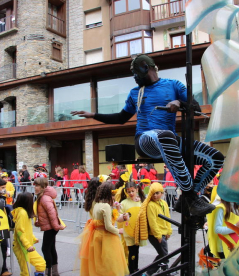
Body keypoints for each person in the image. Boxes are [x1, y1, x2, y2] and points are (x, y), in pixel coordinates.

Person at [71, 54, 224, 217]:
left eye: (136, 74)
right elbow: (121, 118)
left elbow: (195, 107)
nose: (135, 78)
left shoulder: (174, 85)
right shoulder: (135, 93)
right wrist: (94, 114)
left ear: (147, 68)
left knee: (215, 158)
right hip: (145, 140)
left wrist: (179, 103)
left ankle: (188, 197)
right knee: (164, 135)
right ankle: (191, 197)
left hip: (168, 140)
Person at [79, 182, 128, 276]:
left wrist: (116, 209)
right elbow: (108, 226)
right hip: (106, 237)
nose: (114, 197)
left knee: (98, 261)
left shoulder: (97, 204)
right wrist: (119, 231)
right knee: (109, 264)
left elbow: (108, 219)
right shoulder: (106, 206)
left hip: (96, 235)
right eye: (113, 195)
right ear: (108, 194)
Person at [134, 182, 172, 276]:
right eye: (153, 193)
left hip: (163, 232)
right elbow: (152, 222)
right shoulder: (151, 205)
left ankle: (157, 271)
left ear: (162, 193)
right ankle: (159, 271)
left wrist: (169, 231)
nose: (155, 195)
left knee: (163, 254)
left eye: (157, 193)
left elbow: (167, 217)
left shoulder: (164, 203)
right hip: (155, 234)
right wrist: (158, 235)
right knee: (164, 254)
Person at [34, 177, 65, 276]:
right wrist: (39, 221)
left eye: (37, 185)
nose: (35, 187)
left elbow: (52, 213)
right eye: (35, 185)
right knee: (51, 248)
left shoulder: (44, 198)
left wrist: (56, 226)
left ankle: (49, 272)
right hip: (50, 226)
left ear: (43, 187)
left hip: (51, 227)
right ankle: (54, 272)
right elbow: (45, 214)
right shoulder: (43, 197)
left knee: (45, 249)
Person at [12, 192, 46, 276]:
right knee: (25, 272)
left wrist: (33, 238)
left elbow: (26, 229)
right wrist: (27, 245)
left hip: (27, 245)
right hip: (22, 247)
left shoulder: (24, 212)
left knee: (41, 264)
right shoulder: (22, 213)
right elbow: (20, 231)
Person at [119, 181, 146, 273]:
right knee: (131, 251)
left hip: (138, 230)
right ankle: (132, 270)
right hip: (128, 231)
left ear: (137, 190)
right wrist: (123, 217)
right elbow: (118, 217)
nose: (131, 193)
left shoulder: (140, 201)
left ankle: (135, 268)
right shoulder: (124, 203)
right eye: (128, 191)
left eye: (132, 191)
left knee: (136, 250)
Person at [0, 178, 12, 276]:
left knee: (4, 248)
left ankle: (4, 268)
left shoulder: (3, 197)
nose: (4, 189)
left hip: (4, 226)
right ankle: (1, 269)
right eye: (2, 187)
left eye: (5, 187)